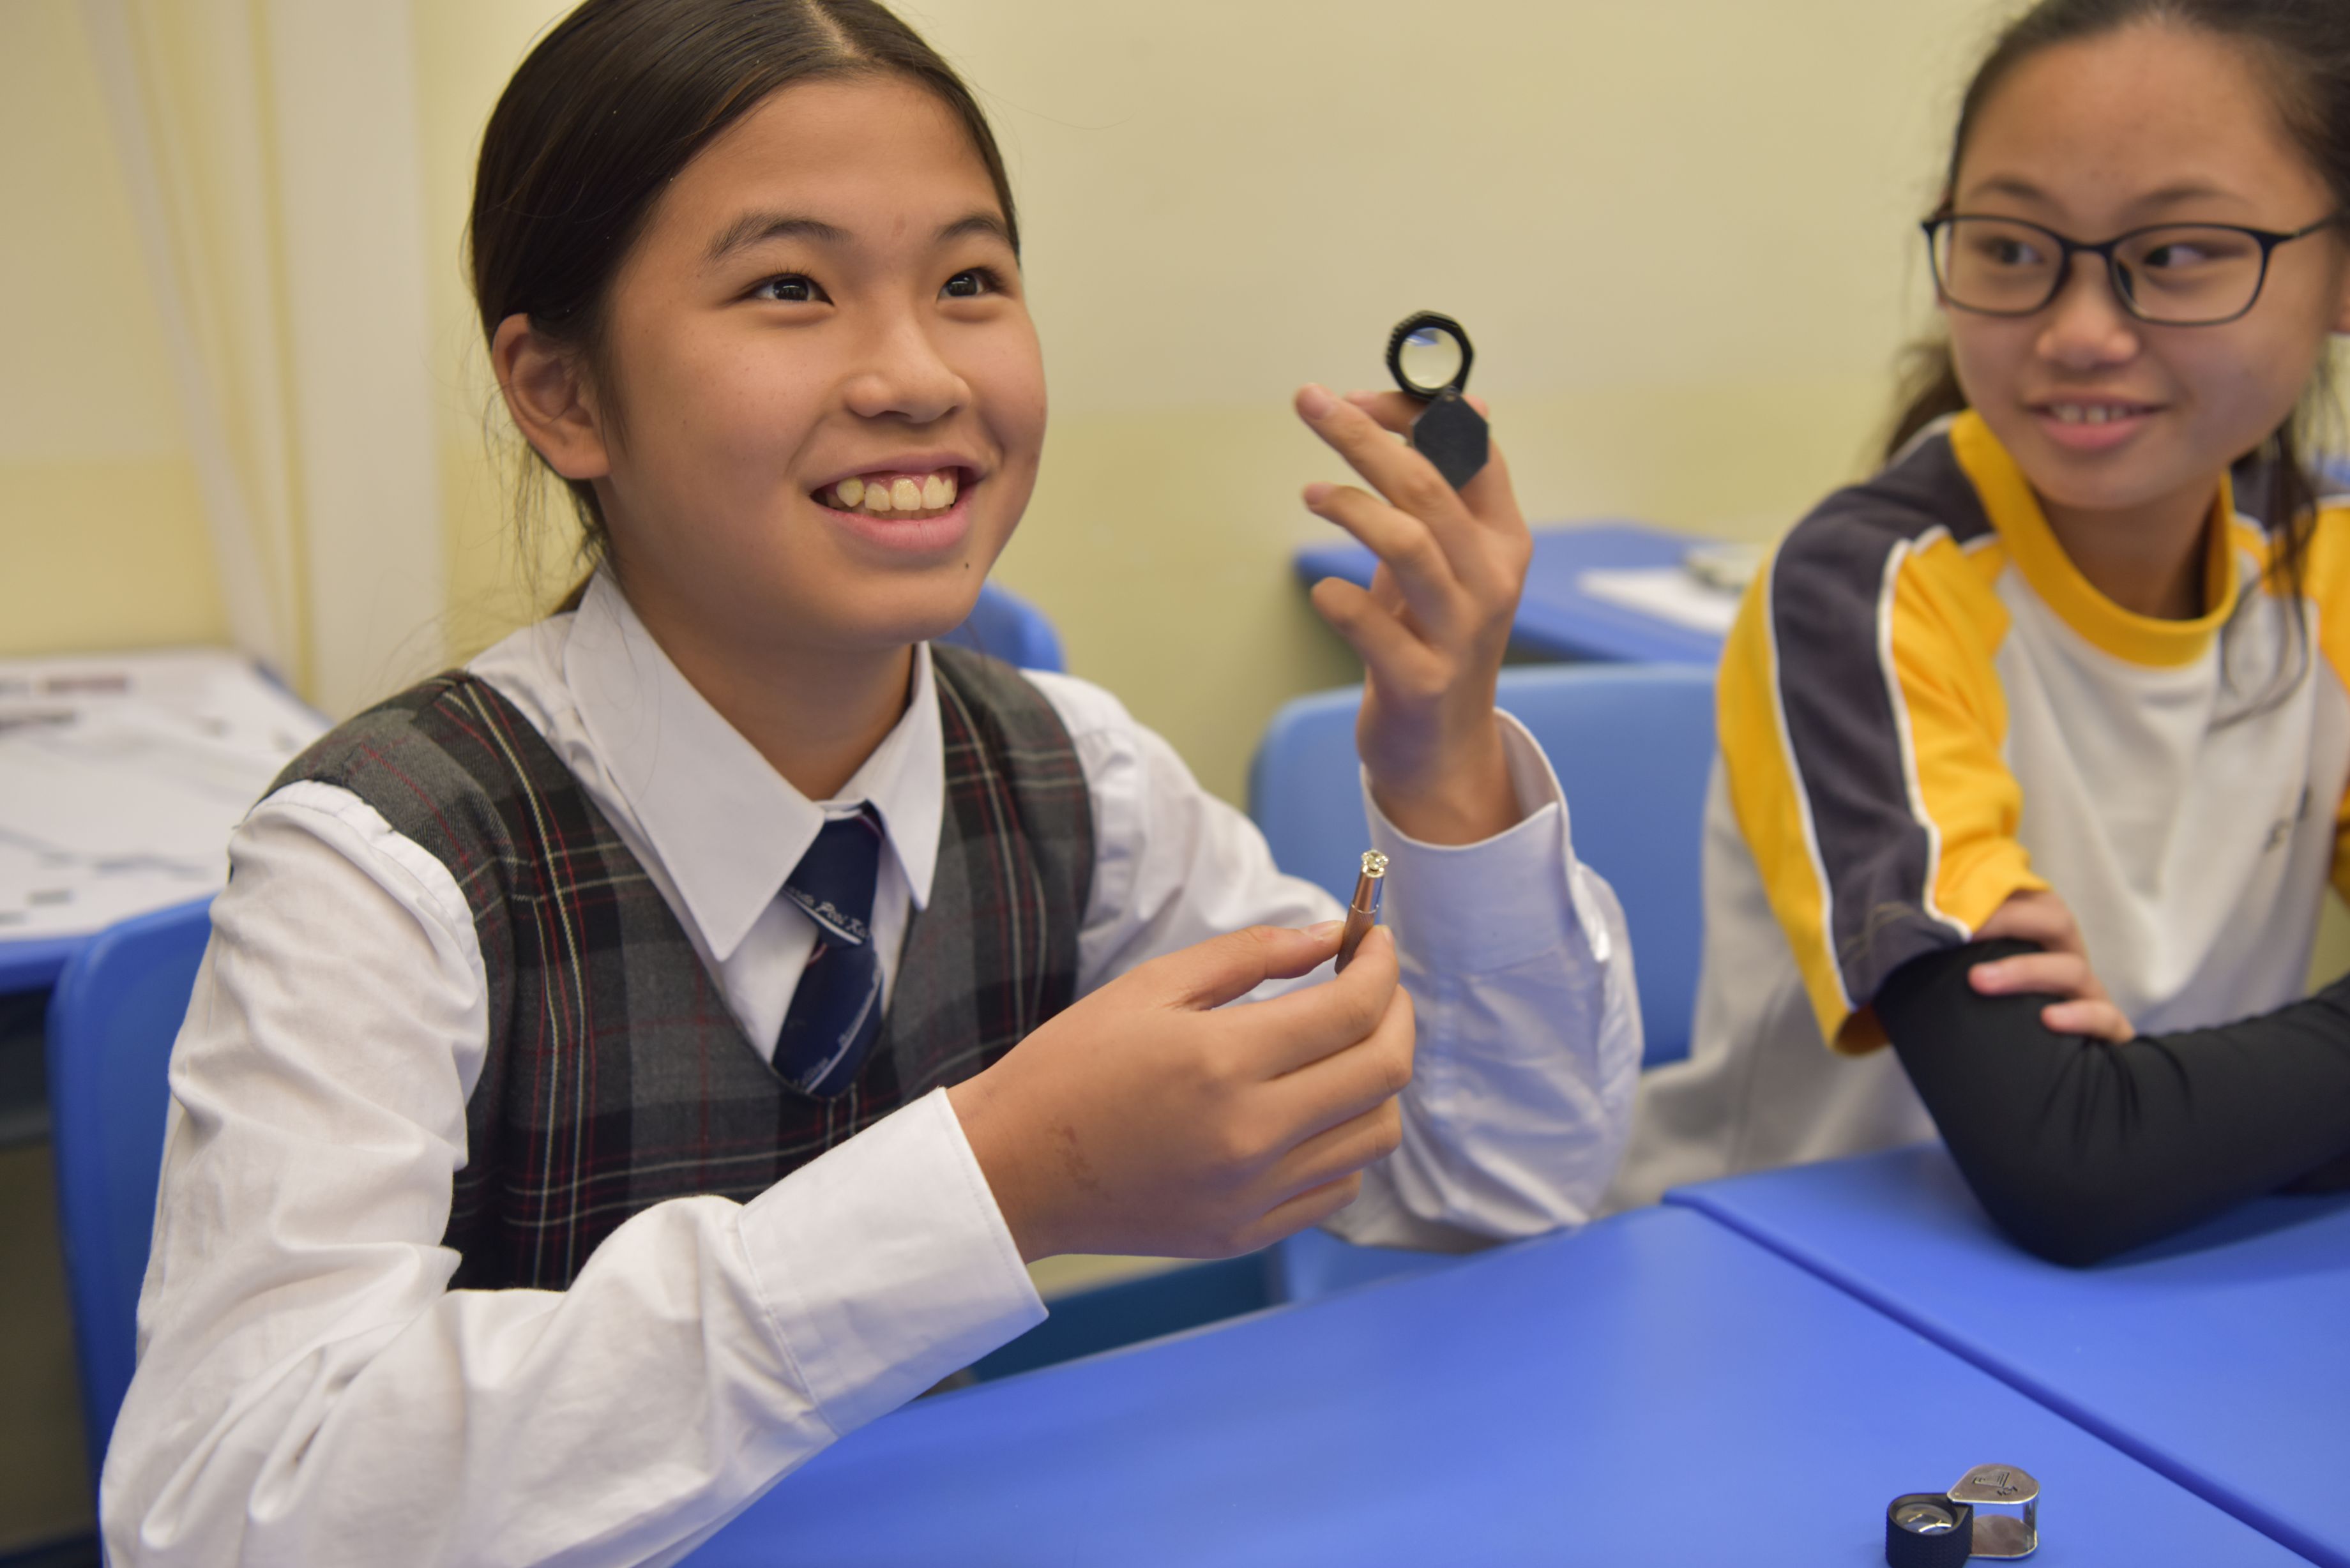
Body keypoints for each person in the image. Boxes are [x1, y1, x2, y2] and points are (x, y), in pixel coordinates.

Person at [101, 1, 1639, 1561]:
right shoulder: (386, 864)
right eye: (789, 287)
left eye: (969, 282)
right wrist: (996, 1185)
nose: (915, 375)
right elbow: (226, 1507)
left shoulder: (1078, 782)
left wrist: (1440, 754)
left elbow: (1492, 1173)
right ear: (563, 394)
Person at [1605, 0, 2350, 1219]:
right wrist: (2165, 1127)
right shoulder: (1866, 591)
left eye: (2176, 255)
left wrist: (2174, 1125)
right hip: (1797, 1271)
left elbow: (2110, 1147)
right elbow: (2063, 1157)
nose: (2079, 333)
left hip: (2183, 1262)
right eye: (2009, 248)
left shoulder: (2327, 566)